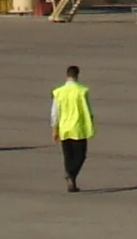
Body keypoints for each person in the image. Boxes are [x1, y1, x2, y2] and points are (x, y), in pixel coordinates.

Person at [51, 64, 94, 192]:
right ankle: (71, 174)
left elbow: (55, 112)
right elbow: (88, 109)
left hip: (64, 128)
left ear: (67, 75)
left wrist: (54, 129)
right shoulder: (82, 90)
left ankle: (72, 181)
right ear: (77, 75)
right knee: (80, 155)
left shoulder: (58, 92)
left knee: (68, 156)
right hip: (78, 128)